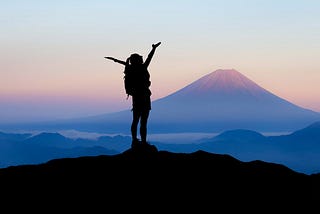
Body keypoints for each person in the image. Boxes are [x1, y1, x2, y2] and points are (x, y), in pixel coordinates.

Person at [105, 42, 161, 148]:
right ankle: (143, 141)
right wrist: (154, 49)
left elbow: (125, 64)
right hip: (145, 97)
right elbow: (150, 58)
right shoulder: (143, 67)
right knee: (143, 121)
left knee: (136, 120)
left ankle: (135, 140)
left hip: (137, 98)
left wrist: (115, 60)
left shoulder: (130, 69)